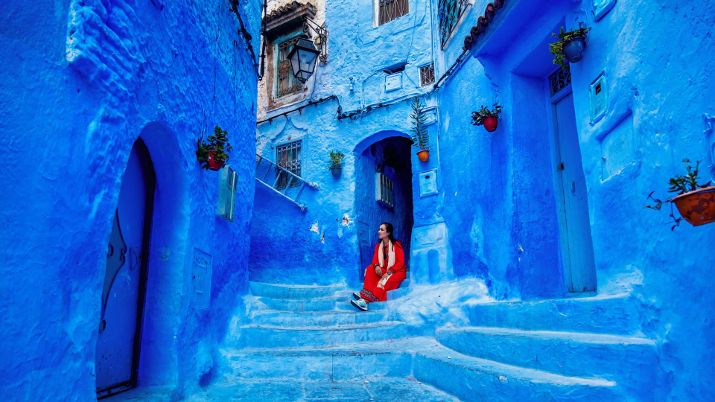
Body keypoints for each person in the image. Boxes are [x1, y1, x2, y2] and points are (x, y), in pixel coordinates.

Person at [351, 222, 406, 311]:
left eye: (382, 229)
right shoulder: (378, 246)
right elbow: (375, 260)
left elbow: (400, 263)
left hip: (397, 272)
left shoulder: (396, 245)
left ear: (388, 233)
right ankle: (364, 294)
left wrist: (390, 272)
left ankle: (365, 301)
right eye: (379, 229)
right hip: (385, 271)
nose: (379, 231)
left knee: (384, 280)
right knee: (370, 269)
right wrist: (376, 266)